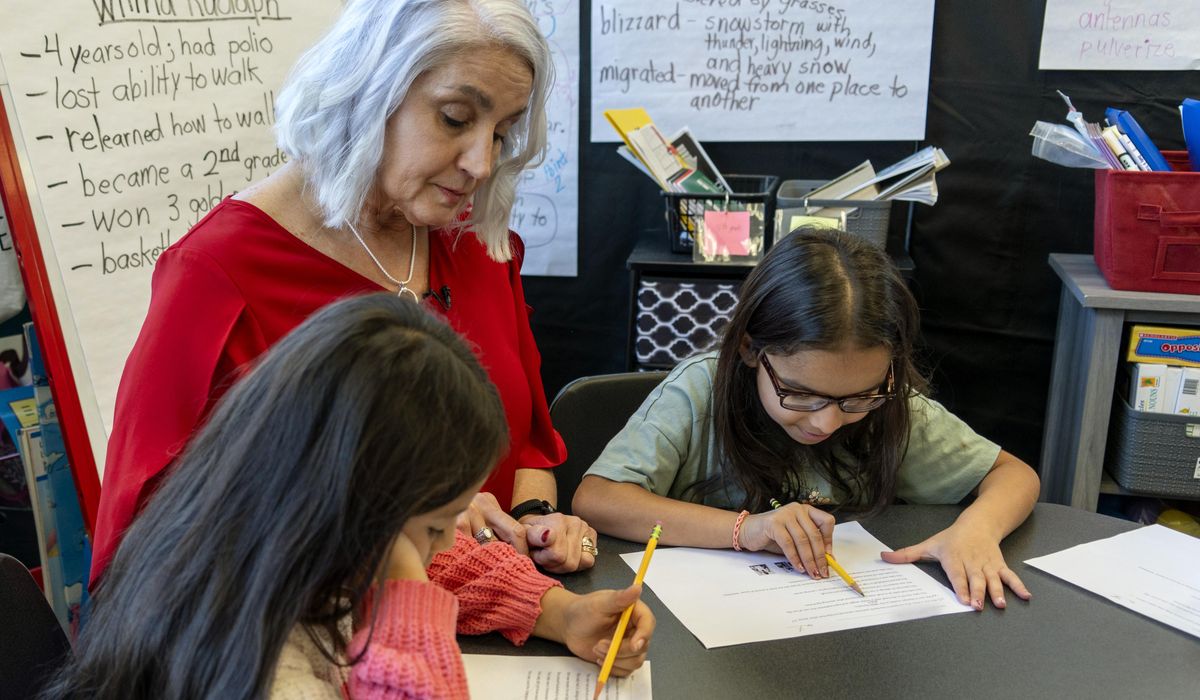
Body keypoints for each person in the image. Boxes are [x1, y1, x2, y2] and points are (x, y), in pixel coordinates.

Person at [92, 0, 596, 583]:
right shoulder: (219, 274)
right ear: (365, 91)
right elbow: (154, 537)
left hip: (505, 624)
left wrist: (536, 520)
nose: (482, 164)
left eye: (503, 135)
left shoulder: (476, 248)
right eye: (456, 119)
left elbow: (528, 444)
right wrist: (406, 521)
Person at [43, 294, 653, 699]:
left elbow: (453, 564)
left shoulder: (256, 531)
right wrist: (412, 604)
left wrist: (560, 611)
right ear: (365, 510)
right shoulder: (270, 672)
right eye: (441, 521)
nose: (454, 539)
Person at [573, 228, 1041, 611]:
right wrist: (747, 529)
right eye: (799, 395)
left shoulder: (891, 403)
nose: (827, 423)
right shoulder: (699, 391)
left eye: (857, 399)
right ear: (751, 350)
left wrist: (975, 530)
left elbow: (1012, 475)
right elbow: (598, 499)